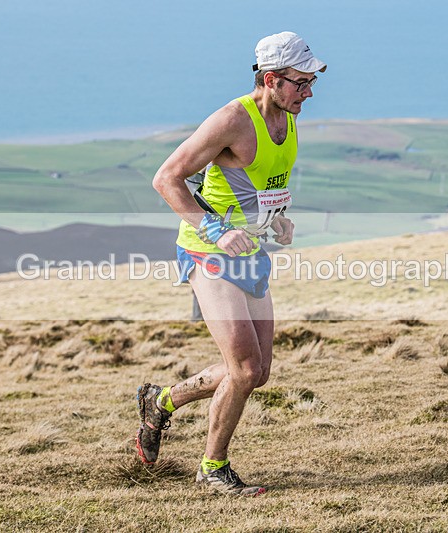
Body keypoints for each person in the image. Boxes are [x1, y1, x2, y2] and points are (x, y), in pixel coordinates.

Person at [136, 31, 326, 496]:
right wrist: (217, 230)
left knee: (257, 372)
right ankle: (212, 467)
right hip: (209, 252)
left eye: (310, 82)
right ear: (271, 78)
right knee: (242, 369)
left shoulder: (287, 115)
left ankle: (161, 401)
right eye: (300, 83)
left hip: (250, 251)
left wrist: (279, 218)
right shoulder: (231, 121)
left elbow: (259, 183)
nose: (309, 92)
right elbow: (166, 179)